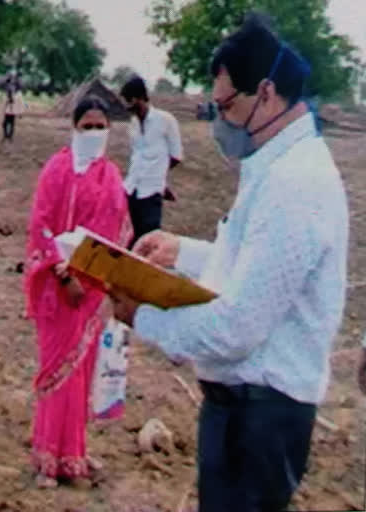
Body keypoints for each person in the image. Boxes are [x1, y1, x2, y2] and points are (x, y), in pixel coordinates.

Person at [108, 15, 348, 512]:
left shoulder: (295, 182)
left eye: (226, 107)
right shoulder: (275, 166)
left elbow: (238, 326)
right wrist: (184, 252)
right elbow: (256, 265)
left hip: (259, 416)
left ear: (266, 93)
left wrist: (142, 315)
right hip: (244, 411)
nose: (221, 122)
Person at [24, 95, 133, 488]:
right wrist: (63, 276)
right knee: (56, 372)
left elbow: (120, 232)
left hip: (93, 290)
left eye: (100, 126)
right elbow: (41, 225)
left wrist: (104, 286)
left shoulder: (111, 176)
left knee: (82, 373)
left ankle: (75, 453)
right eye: (86, 126)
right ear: (73, 128)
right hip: (61, 289)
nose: (93, 133)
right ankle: (47, 458)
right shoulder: (56, 169)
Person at [120, 76, 183, 247]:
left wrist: (159, 178)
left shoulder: (165, 120)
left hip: (152, 190)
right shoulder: (133, 124)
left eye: (128, 100)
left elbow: (176, 156)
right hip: (132, 188)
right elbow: (136, 156)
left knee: (149, 240)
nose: (126, 106)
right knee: (131, 237)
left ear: (138, 97)